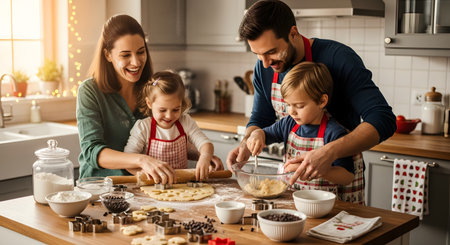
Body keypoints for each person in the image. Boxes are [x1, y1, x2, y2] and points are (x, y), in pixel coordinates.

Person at [227, 0, 396, 185]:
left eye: (272, 52)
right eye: (258, 55)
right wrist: (248, 141)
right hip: (296, 188)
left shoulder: (340, 58)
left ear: (293, 33)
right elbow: (260, 120)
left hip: (340, 187)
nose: (265, 63)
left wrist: (329, 152)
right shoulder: (264, 67)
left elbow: (383, 118)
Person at [77, 15, 218, 183]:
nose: (136, 62)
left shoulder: (152, 88)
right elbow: (93, 151)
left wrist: (203, 155)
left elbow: (163, 141)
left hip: (141, 186)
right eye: (125, 55)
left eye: (140, 52)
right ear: (108, 55)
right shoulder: (90, 91)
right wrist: (142, 160)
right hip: (99, 186)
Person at [247, 62, 364, 203]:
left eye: (299, 106)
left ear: (322, 101)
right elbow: (265, 134)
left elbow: (347, 176)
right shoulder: (289, 123)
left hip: (324, 207)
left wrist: (320, 170)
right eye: (288, 104)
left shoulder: (333, 133)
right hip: (294, 202)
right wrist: (257, 135)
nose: (291, 111)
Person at [124, 71, 224, 181]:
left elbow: (205, 144)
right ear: (149, 103)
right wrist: (143, 174)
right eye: (162, 110)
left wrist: (205, 157)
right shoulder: (143, 128)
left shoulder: (185, 122)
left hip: (181, 185)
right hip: (154, 184)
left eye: (176, 109)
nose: (169, 116)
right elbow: (128, 160)